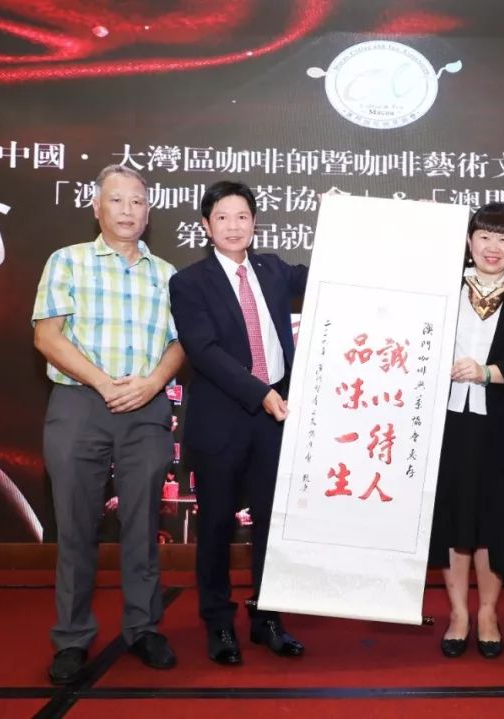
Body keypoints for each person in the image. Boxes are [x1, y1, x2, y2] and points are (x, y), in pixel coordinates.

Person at [33, 164, 184, 684]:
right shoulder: (68, 261)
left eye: (137, 202)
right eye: (116, 200)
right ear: (96, 207)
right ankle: (72, 638)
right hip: (80, 403)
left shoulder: (168, 274)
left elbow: (180, 343)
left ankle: (144, 628)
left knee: (142, 526)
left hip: (145, 407)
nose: (127, 211)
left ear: (148, 212)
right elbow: (47, 337)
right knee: (76, 527)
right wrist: (102, 382)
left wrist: (152, 383)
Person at [169, 181, 308, 665]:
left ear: (255, 223)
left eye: (242, 216)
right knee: (215, 527)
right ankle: (219, 623)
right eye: (222, 217)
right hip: (223, 420)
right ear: (206, 226)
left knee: (273, 524)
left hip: (275, 420)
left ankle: (268, 618)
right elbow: (204, 351)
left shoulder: (273, 269)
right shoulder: (189, 282)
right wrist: (260, 393)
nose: (233, 226)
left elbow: (332, 274)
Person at [428, 203, 504, 659]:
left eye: (502, 238)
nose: (492, 247)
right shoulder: (442, 289)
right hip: (446, 424)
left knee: (493, 521)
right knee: (454, 519)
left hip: (499, 424)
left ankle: (488, 614)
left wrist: (487, 372)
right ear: (469, 241)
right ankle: (459, 613)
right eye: (484, 236)